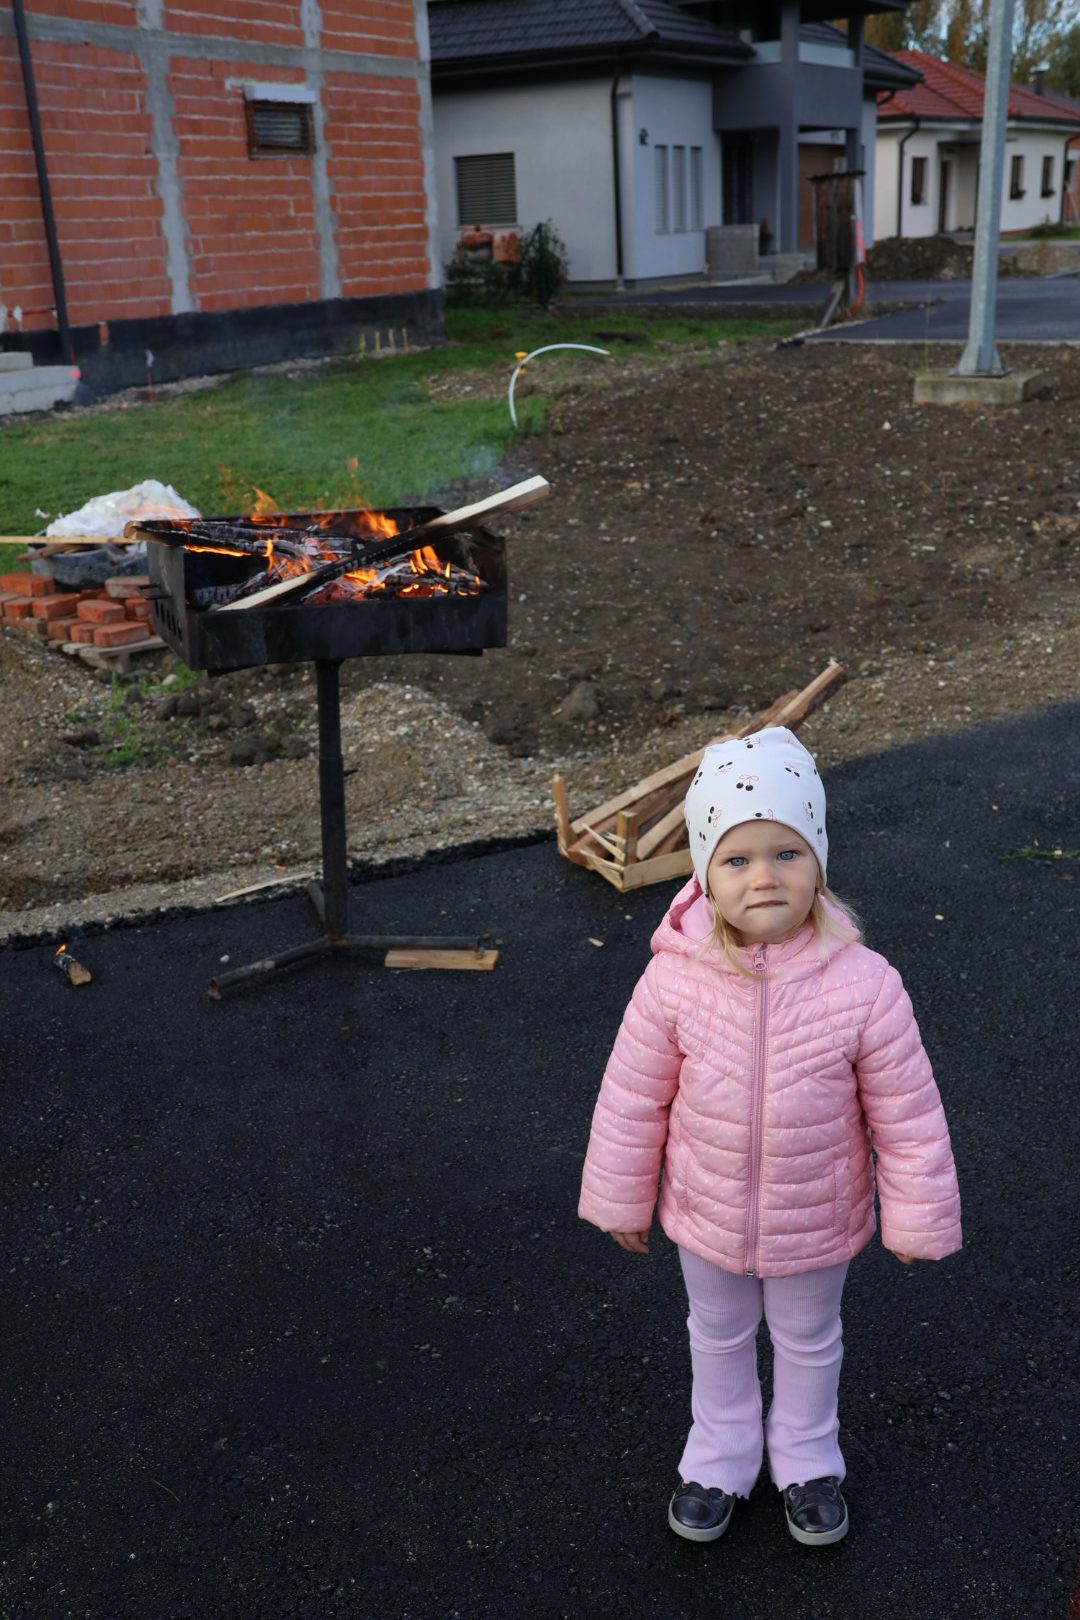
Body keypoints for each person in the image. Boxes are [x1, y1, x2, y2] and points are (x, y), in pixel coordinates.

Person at [578, 727, 961, 1547]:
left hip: (815, 1216)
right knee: (713, 1333)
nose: (764, 877)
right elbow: (632, 1097)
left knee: (810, 1337)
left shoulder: (865, 984)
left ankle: (807, 1458)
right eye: (738, 859)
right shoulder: (673, 980)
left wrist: (917, 1218)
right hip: (707, 1212)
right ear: (705, 875)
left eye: (786, 854)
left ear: (819, 859)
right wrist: (620, 1197)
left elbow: (908, 1113)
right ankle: (719, 1455)